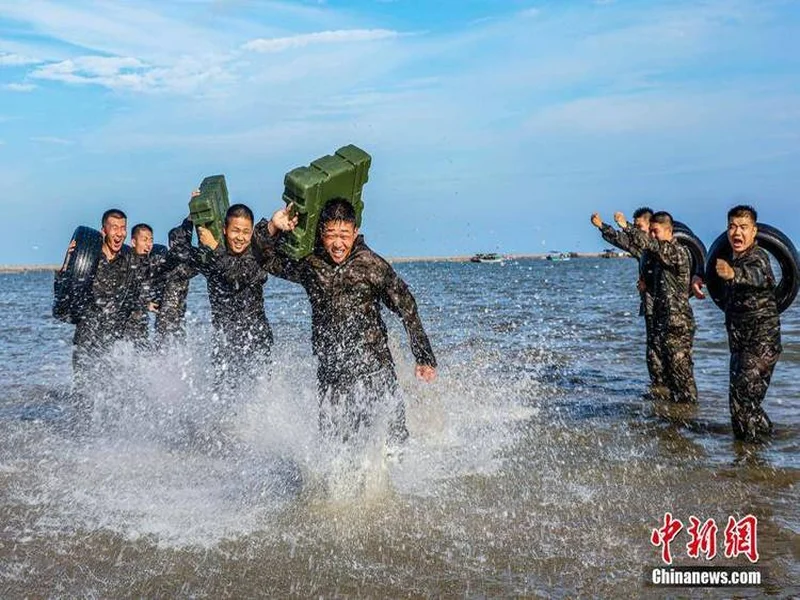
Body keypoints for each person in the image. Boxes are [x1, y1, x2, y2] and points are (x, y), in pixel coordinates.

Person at [252, 198, 437, 448]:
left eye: (344, 235)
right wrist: (273, 227)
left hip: (375, 369)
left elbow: (406, 306)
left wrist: (423, 355)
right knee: (335, 447)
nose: (338, 244)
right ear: (321, 233)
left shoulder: (372, 265)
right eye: (331, 235)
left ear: (355, 232)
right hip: (332, 374)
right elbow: (264, 259)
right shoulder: (311, 264)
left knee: (394, 443)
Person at [170, 202, 274, 393]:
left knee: (258, 395)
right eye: (236, 231)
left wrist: (215, 247)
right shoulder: (211, 257)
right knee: (223, 396)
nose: (241, 237)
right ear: (225, 230)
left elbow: (235, 274)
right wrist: (193, 218)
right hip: (224, 342)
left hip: (256, 340)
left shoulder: (257, 257)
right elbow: (179, 249)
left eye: (246, 232)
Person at [53, 208, 144, 415]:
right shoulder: (89, 258)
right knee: (84, 395)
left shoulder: (131, 259)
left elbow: (139, 291)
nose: (119, 233)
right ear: (103, 230)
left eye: (123, 228)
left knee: (115, 396)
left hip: (114, 339)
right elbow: (62, 301)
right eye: (114, 228)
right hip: (87, 337)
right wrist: (69, 264)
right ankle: (82, 441)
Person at [603, 210, 698, 404]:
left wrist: (626, 226)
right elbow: (663, 282)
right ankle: (674, 420)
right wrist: (646, 285)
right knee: (670, 377)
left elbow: (648, 244)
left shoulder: (676, 251)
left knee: (682, 378)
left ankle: (691, 418)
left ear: (669, 231)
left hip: (678, 323)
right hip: (663, 320)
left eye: (656, 231)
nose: (652, 235)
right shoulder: (660, 257)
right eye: (651, 232)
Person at [714, 205, 781, 442]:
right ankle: (756, 452)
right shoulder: (732, 257)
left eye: (743, 227)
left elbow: (757, 276)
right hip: (740, 344)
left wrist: (733, 274)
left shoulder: (758, 258)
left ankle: (757, 451)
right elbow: (717, 279)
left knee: (744, 401)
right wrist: (699, 277)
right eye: (732, 226)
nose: (737, 233)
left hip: (761, 344)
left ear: (754, 231)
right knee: (739, 402)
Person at [592, 207, 664, 392]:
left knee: (666, 350)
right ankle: (658, 390)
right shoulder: (641, 247)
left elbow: (645, 241)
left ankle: (670, 393)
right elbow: (621, 240)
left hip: (667, 306)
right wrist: (602, 226)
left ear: (651, 226)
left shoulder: (662, 246)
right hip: (649, 304)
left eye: (638, 226)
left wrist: (625, 226)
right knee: (653, 350)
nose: (635, 229)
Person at [153, 218, 198, 346]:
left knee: (178, 343)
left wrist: (190, 219)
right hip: (166, 317)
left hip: (177, 315)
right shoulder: (170, 261)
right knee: (166, 347)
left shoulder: (183, 263)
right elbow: (181, 254)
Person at [124, 223, 157, 345]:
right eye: (144, 240)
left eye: (151, 240)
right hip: (123, 327)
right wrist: (146, 305)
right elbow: (122, 293)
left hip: (141, 327)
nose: (149, 245)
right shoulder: (126, 262)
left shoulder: (149, 264)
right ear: (133, 242)